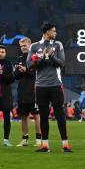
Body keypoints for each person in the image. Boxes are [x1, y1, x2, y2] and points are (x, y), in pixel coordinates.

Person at [27, 22, 72, 153]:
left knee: (60, 115)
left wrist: (51, 56)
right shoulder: (34, 46)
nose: (55, 33)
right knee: (43, 115)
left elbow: (62, 63)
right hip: (40, 86)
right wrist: (42, 58)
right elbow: (29, 64)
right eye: (53, 31)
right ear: (47, 32)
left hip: (56, 85)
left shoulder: (58, 45)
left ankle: (65, 144)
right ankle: (45, 145)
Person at [14, 37, 42, 147]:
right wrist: (19, 71)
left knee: (36, 115)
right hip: (22, 91)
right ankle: (25, 139)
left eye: (24, 45)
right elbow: (15, 76)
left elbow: (38, 74)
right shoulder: (19, 59)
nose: (23, 48)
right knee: (23, 116)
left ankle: (39, 139)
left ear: (30, 45)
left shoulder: (35, 58)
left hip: (34, 91)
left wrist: (26, 70)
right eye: (21, 46)